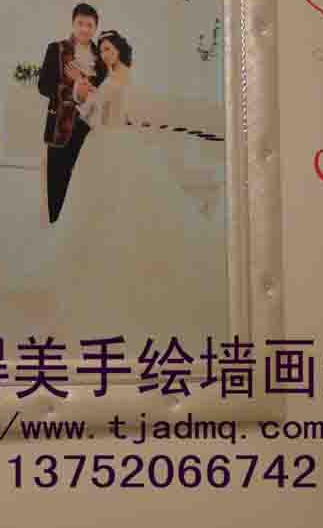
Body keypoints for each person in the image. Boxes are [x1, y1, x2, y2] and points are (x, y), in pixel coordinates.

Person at [17, 29, 228, 348]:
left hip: (111, 142)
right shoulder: (114, 76)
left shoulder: (120, 75)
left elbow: (95, 112)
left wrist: (83, 87)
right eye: (102, 49)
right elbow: (95, 111)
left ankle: (114, 272)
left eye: (109, 48)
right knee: (97, 207)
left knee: (113, 206)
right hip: (105, 141)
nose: (105, 54)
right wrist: (85, 90)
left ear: (119, 50)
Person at [36, 3, 106, 223]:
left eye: (89, 25)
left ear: (95, 28)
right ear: (73, 24)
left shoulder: (102, 59)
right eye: (80, 23)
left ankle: (75, 227)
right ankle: (54, 223)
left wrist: (84, 85)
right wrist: (74, 90)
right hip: (60, 124)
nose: (84, 29)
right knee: (56, 178)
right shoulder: (56, 49)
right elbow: (44, 85)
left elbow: (103, 93)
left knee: (83, 180)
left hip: (89, 127)